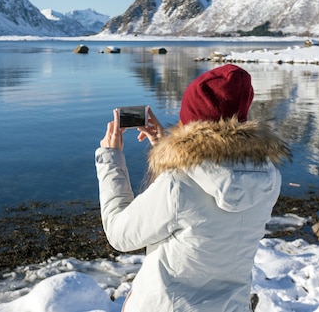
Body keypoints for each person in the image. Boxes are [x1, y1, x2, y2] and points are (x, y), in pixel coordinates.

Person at [95, 64, 291, 312]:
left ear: (191, 122)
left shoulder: (177, 184)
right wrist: (165, 148)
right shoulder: (269, 177)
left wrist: (111, 159)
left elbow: (120, 234)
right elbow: (208, 186)